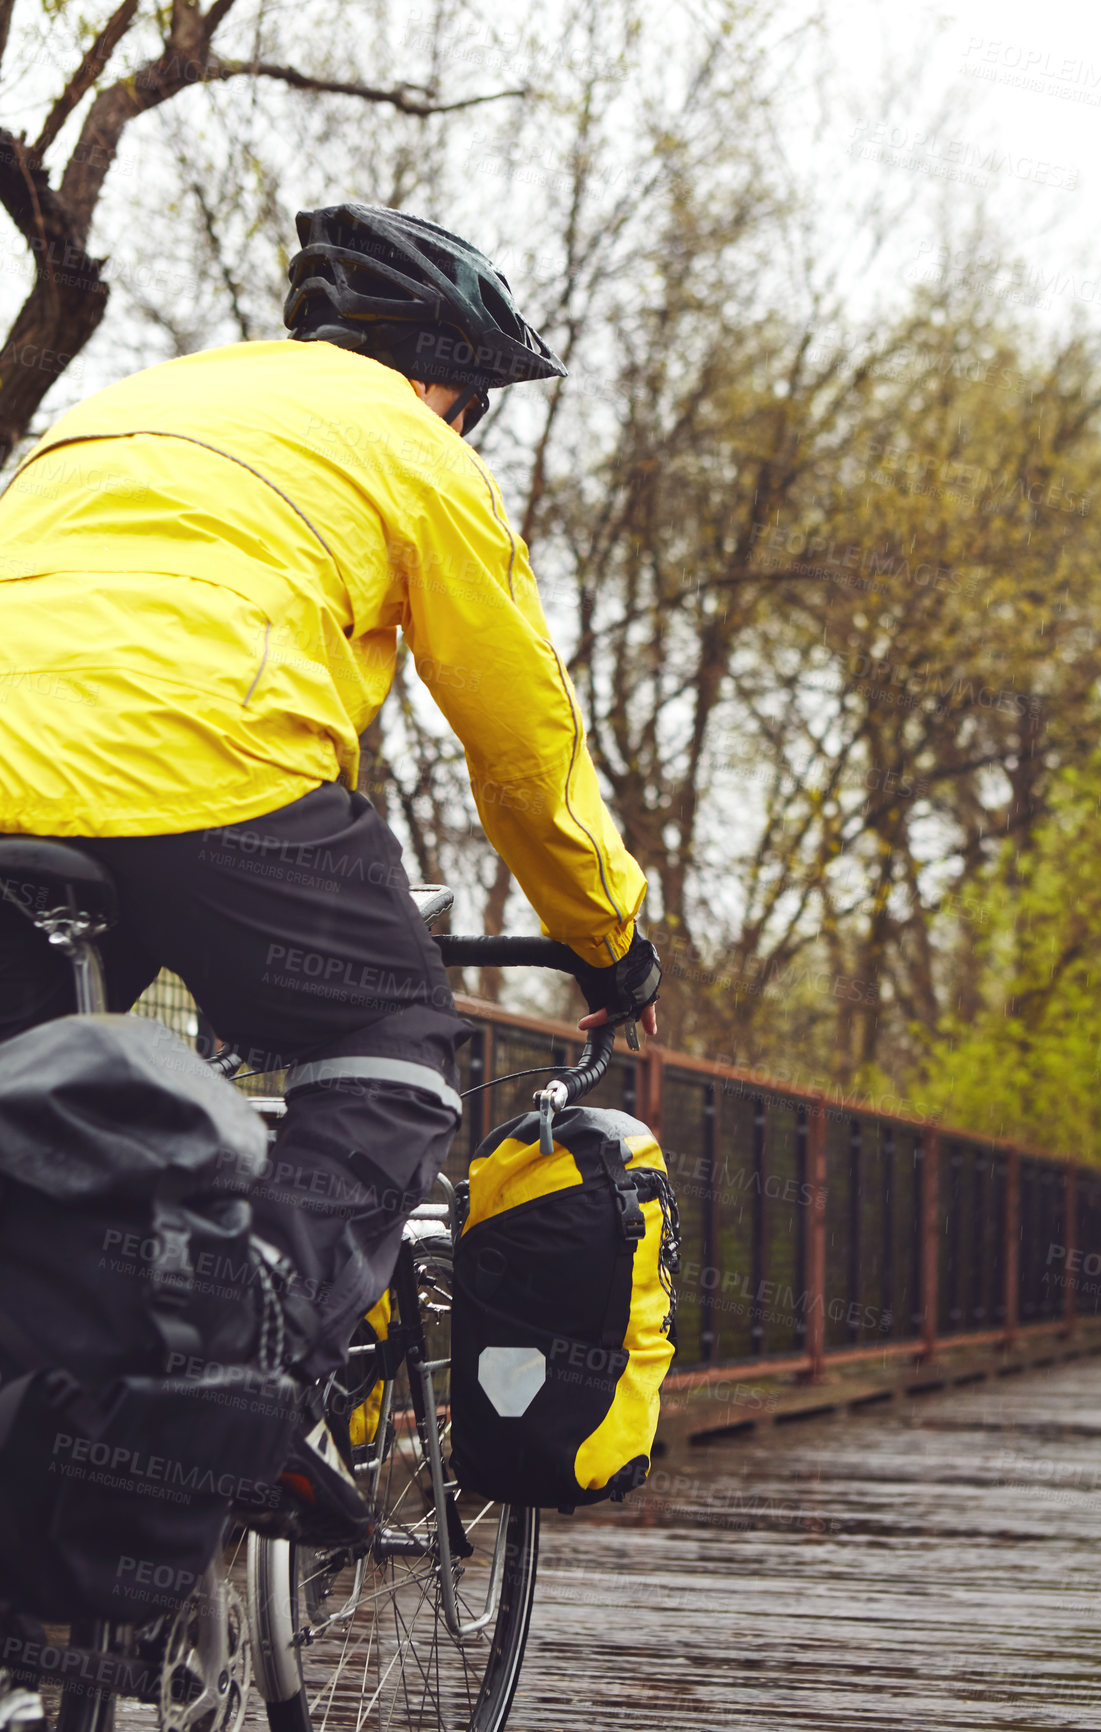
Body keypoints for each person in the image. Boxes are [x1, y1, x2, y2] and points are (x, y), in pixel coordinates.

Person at [0, 203, 660, 1532]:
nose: (462, 423)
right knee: (385, 1034)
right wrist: (607, 934)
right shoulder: (410, 447)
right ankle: (240, 1365)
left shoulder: (123, 411)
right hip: (210, 764)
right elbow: (520, 738)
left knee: (30, 1096)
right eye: (467, 400)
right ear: (432, 378)